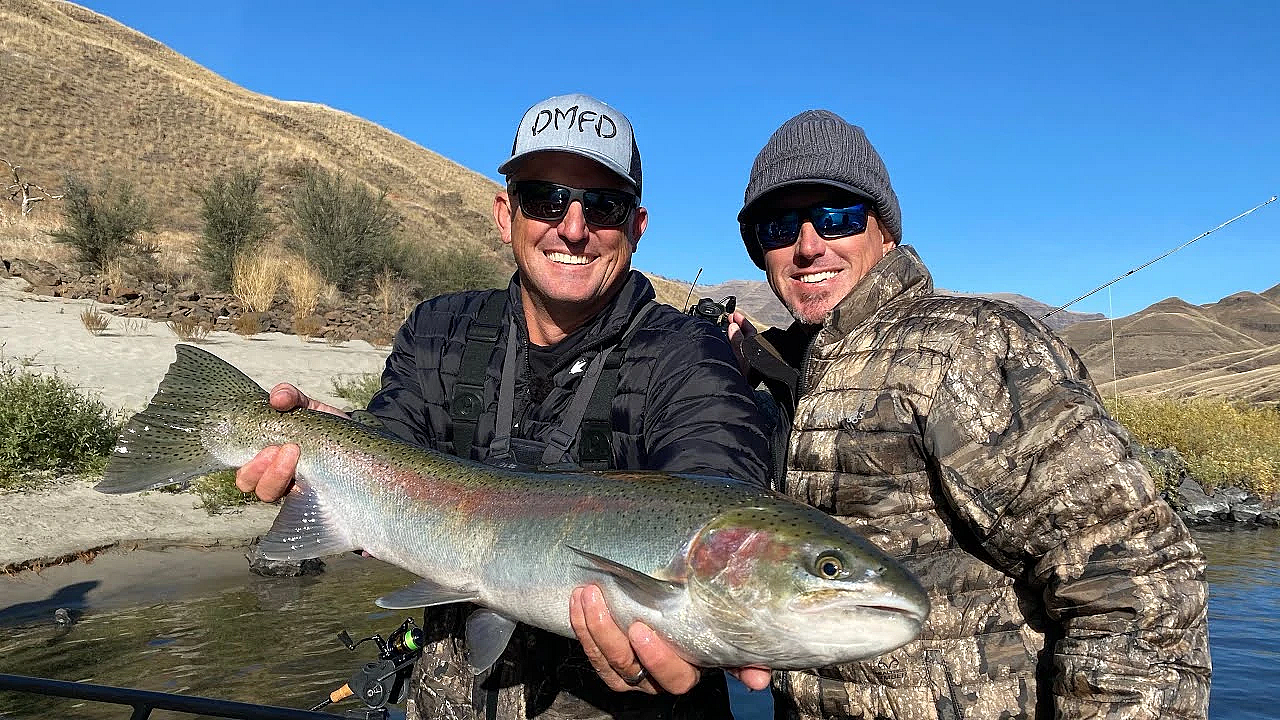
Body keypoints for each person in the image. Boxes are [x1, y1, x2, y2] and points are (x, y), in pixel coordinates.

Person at [575, 110, 1212, 719]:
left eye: (836, 216)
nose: (807, 245)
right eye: (778, 228)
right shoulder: (782, 376)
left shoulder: (969, 350)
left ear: (884, 229)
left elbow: (1139, 575)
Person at [233, 93, 775, 720]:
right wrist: (322, 445)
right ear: (505, 213)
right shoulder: (441, 330)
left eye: (602, 206)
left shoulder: (686, 353)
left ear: (636, 227)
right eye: (545, 199)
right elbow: (390, 441)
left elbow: (720, 469)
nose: (573, 227)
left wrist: (725, 584)